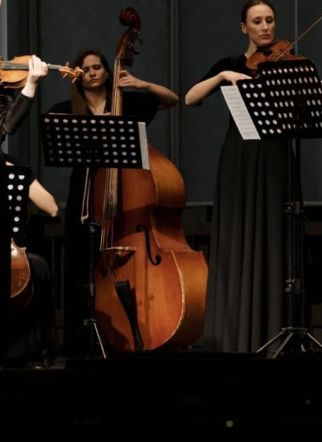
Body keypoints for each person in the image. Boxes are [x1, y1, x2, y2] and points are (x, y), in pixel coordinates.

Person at [48, 49, 178, 355]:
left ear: (107, 71)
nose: (92, 72)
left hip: (125, 193)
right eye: (86, 69)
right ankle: (82, 334)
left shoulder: (127, 102)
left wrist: (141, 83)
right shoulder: (67, 109)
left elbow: (171, 99)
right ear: (77, 75)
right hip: (85, 191)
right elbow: (51, 130)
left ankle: (127, 330)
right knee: (81, 261)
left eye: (97, 67)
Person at [185, 0, 293, 353]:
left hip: (275, 155)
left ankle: (273, 332)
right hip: (239, 157)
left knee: (274, 235)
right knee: (238, 234)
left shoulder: (288, 62)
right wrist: (221, 77)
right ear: (244, 27)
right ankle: (235, 337)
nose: (265, 27)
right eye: (257, 21)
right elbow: (190, 99)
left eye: (270, 20)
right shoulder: (231, 63)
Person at [2, 56, 59, 366]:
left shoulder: (10, 164)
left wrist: (21, 178)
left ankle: (35, 351)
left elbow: (51, 207)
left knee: (38, 266)